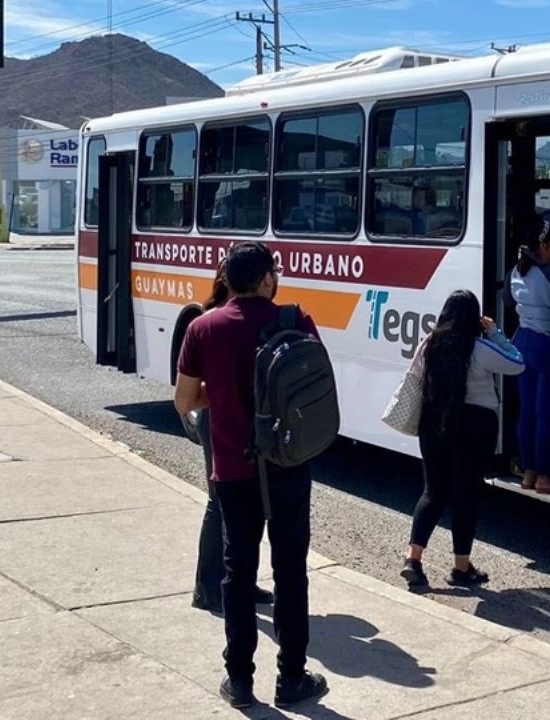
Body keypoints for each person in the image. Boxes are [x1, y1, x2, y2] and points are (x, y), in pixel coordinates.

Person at [174, 241, 328, 710]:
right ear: (266, 280)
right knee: (291, 572)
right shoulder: (295, 321)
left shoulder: (202, 327)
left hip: (233, 470)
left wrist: (220, 397)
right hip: (287, 466)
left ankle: (239, 680)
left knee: (237, 574)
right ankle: (292, 679)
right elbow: (314, 390)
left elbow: (184, 401)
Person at [400, 290, 524, 588]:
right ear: (474, 319)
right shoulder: (479, 348)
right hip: (474, 427)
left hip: (433, 423)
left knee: (433, 492)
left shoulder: (430, 344)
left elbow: (414, 377)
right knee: (465, 494)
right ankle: (461, 567)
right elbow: (517, 362)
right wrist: (495, 332)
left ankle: (413, 559)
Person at [190, 260, 274, 614]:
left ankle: (242, 579)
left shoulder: (237, 317)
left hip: (237, 419)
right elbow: (187, 396)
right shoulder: (212, 319)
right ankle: (208, 588)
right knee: (219, 504)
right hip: (217, 418)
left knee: (247, 512)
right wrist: (222, 391)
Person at [510, 216, 550, 495]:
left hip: (522, 340)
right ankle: (545, 476)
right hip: (545, 344)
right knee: (544, 413)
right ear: (543, 245)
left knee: (526, 411)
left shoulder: (517, 270)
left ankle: (527, 473)